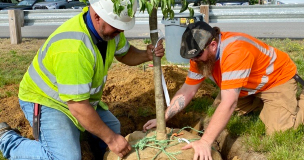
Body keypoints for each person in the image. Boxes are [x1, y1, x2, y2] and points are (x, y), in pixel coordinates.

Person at [0, 0, 165, 159]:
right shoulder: (74, 48)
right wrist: (112, 140)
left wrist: (146, 55)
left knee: (113, 127)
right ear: (98, 15)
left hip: (77, 98)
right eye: (116, 26)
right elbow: (78, 107)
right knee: (66, 157)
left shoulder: (110, 31)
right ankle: (8, 140)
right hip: (48, 101)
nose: (120, 32)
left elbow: (125, 53)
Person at [143, 21, 304, 159]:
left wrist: (205, 142)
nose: (193, 61)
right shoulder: (199, 57)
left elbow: (229, 103)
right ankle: (259, 103)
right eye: (191, 57)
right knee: (215, 117)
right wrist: (163, 118)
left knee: (279, 132)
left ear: (212, 45)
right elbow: (187, 91)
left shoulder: (235, 52)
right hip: (246, 85)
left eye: (197, 56)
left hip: (275, 80)